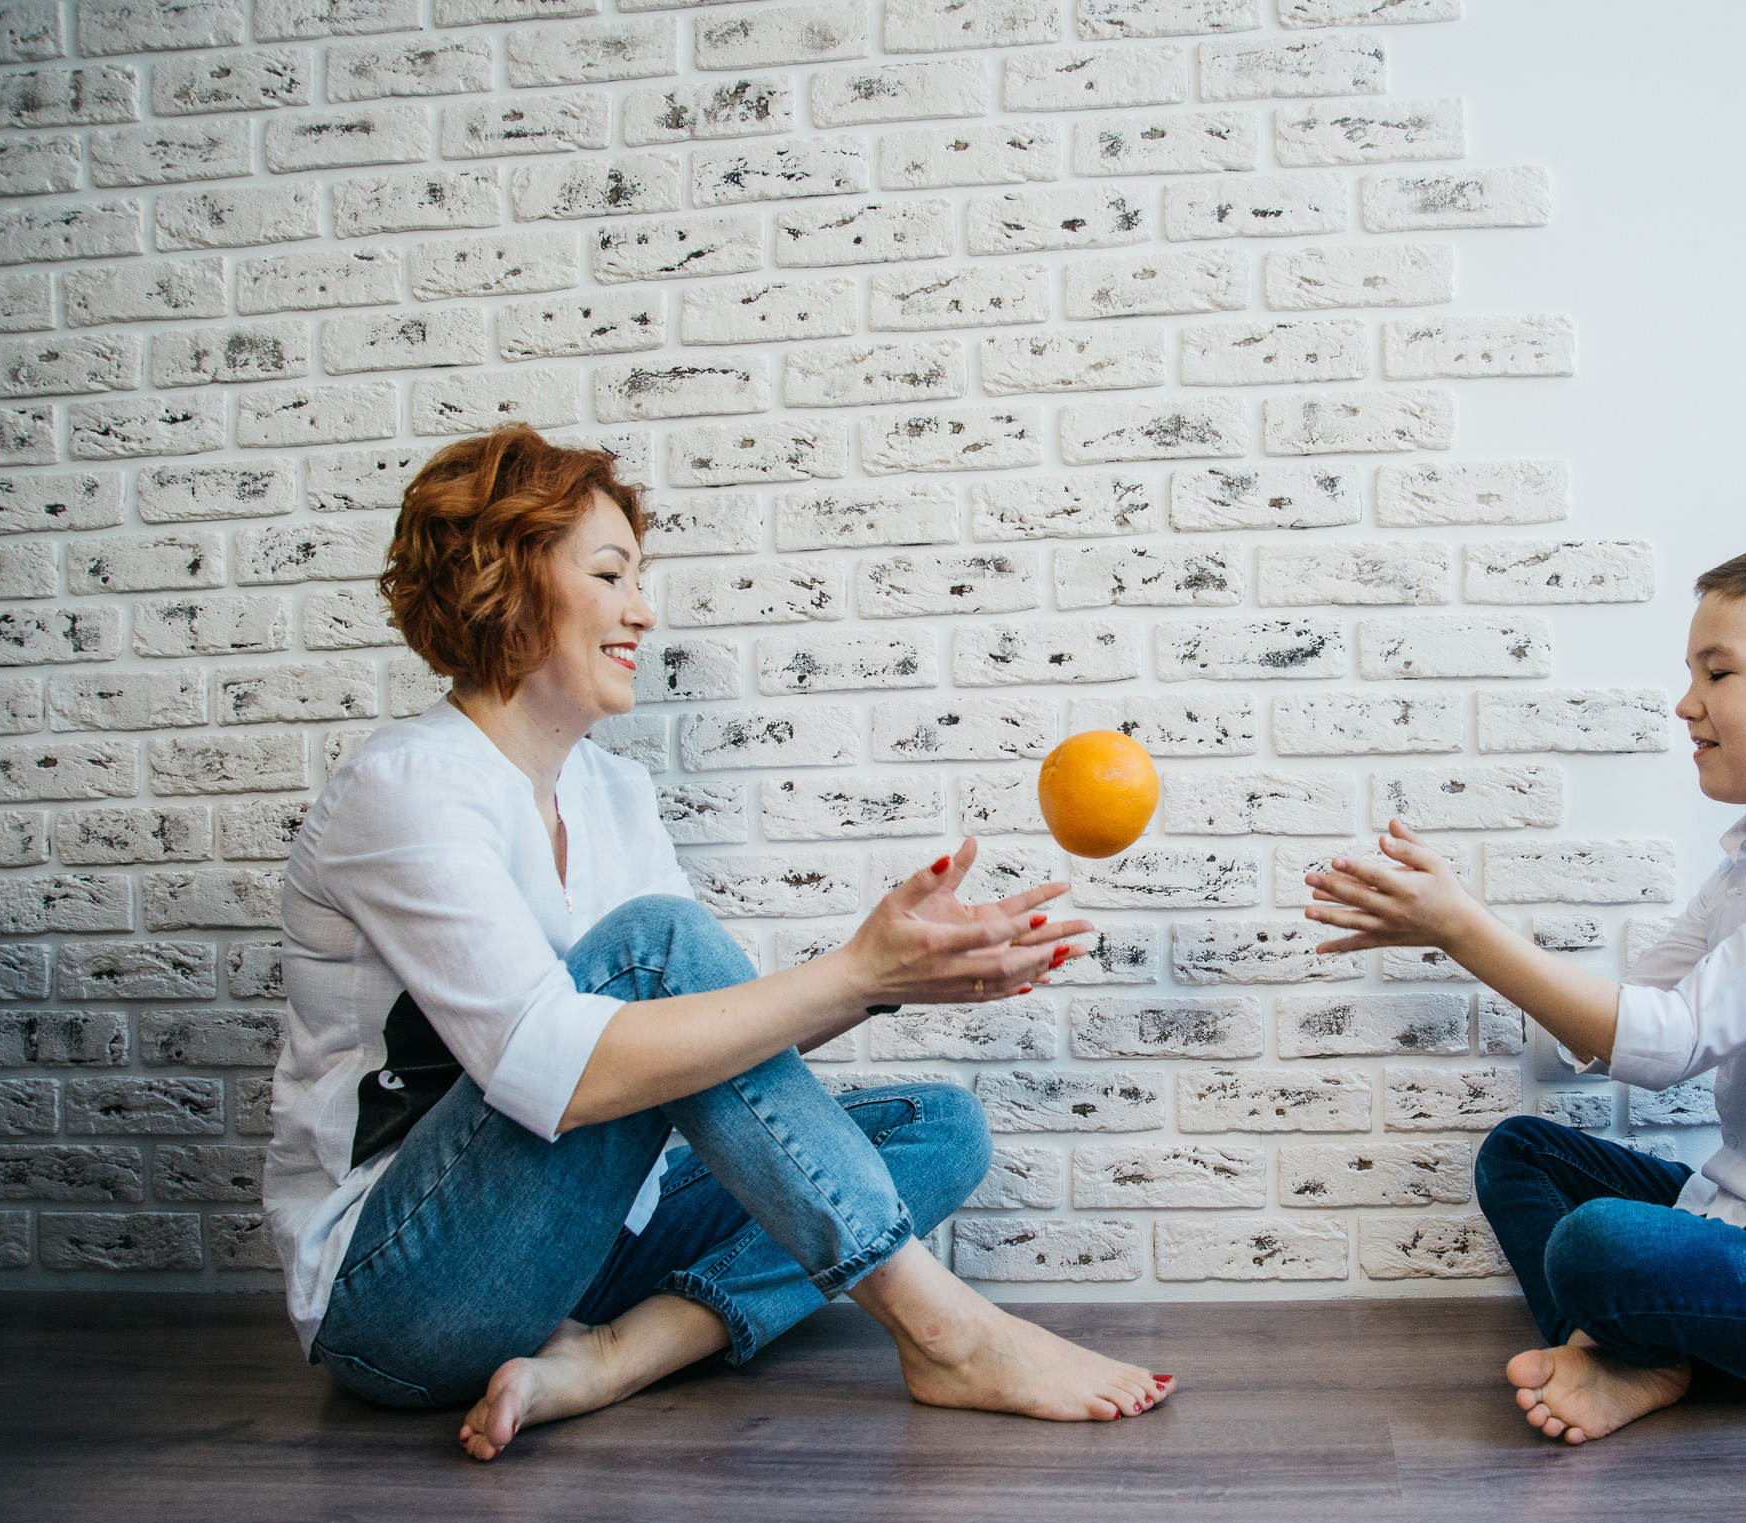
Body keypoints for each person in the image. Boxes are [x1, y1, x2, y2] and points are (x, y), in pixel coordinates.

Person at [264, 425, 1174, 1461]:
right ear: (505, 583)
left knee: (939, 1125)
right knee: (655, 950)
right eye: (610, 574)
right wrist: (856, 972)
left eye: (638, 577)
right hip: (409, 1290)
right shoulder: (408, 787)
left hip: (593, 1244)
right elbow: (560, 1072)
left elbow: (717, 1056)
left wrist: (896, 982)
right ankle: (945, 1331)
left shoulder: (613, 791)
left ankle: (614, 1356)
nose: (643, 610)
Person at [1304, 544, 1746, 1444]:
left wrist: (1463, 925)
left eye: (1719, 671)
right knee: (1522, 1153)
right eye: (1690, 672)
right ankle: (1622, 1352)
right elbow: (1618, 1021)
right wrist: (1454, 928)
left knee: (1596, 1244)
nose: (1686, 703)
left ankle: (1626, 1347)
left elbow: (1668, 1045)